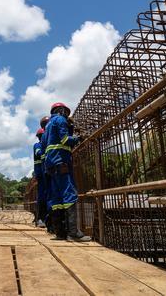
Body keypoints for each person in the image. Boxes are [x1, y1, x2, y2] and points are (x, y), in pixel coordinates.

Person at [42, 102, 91, 242]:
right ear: (61, 110)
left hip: (51, 165)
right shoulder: (60, 119)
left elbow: (46, 145)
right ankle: (73, 233)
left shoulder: (48, 127)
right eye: (66, 113)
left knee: (57, 199)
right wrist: (78, 138)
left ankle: (60, 233)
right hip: (61, 162)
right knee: (69, 195)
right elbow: (64, 140)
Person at [33, 128, 46, 228]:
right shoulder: (37, 145)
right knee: (41, 196)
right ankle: (39, 219)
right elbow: (38, 153)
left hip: (46, 173)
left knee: (47, 195)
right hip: (41, 174)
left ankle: (45, 218)